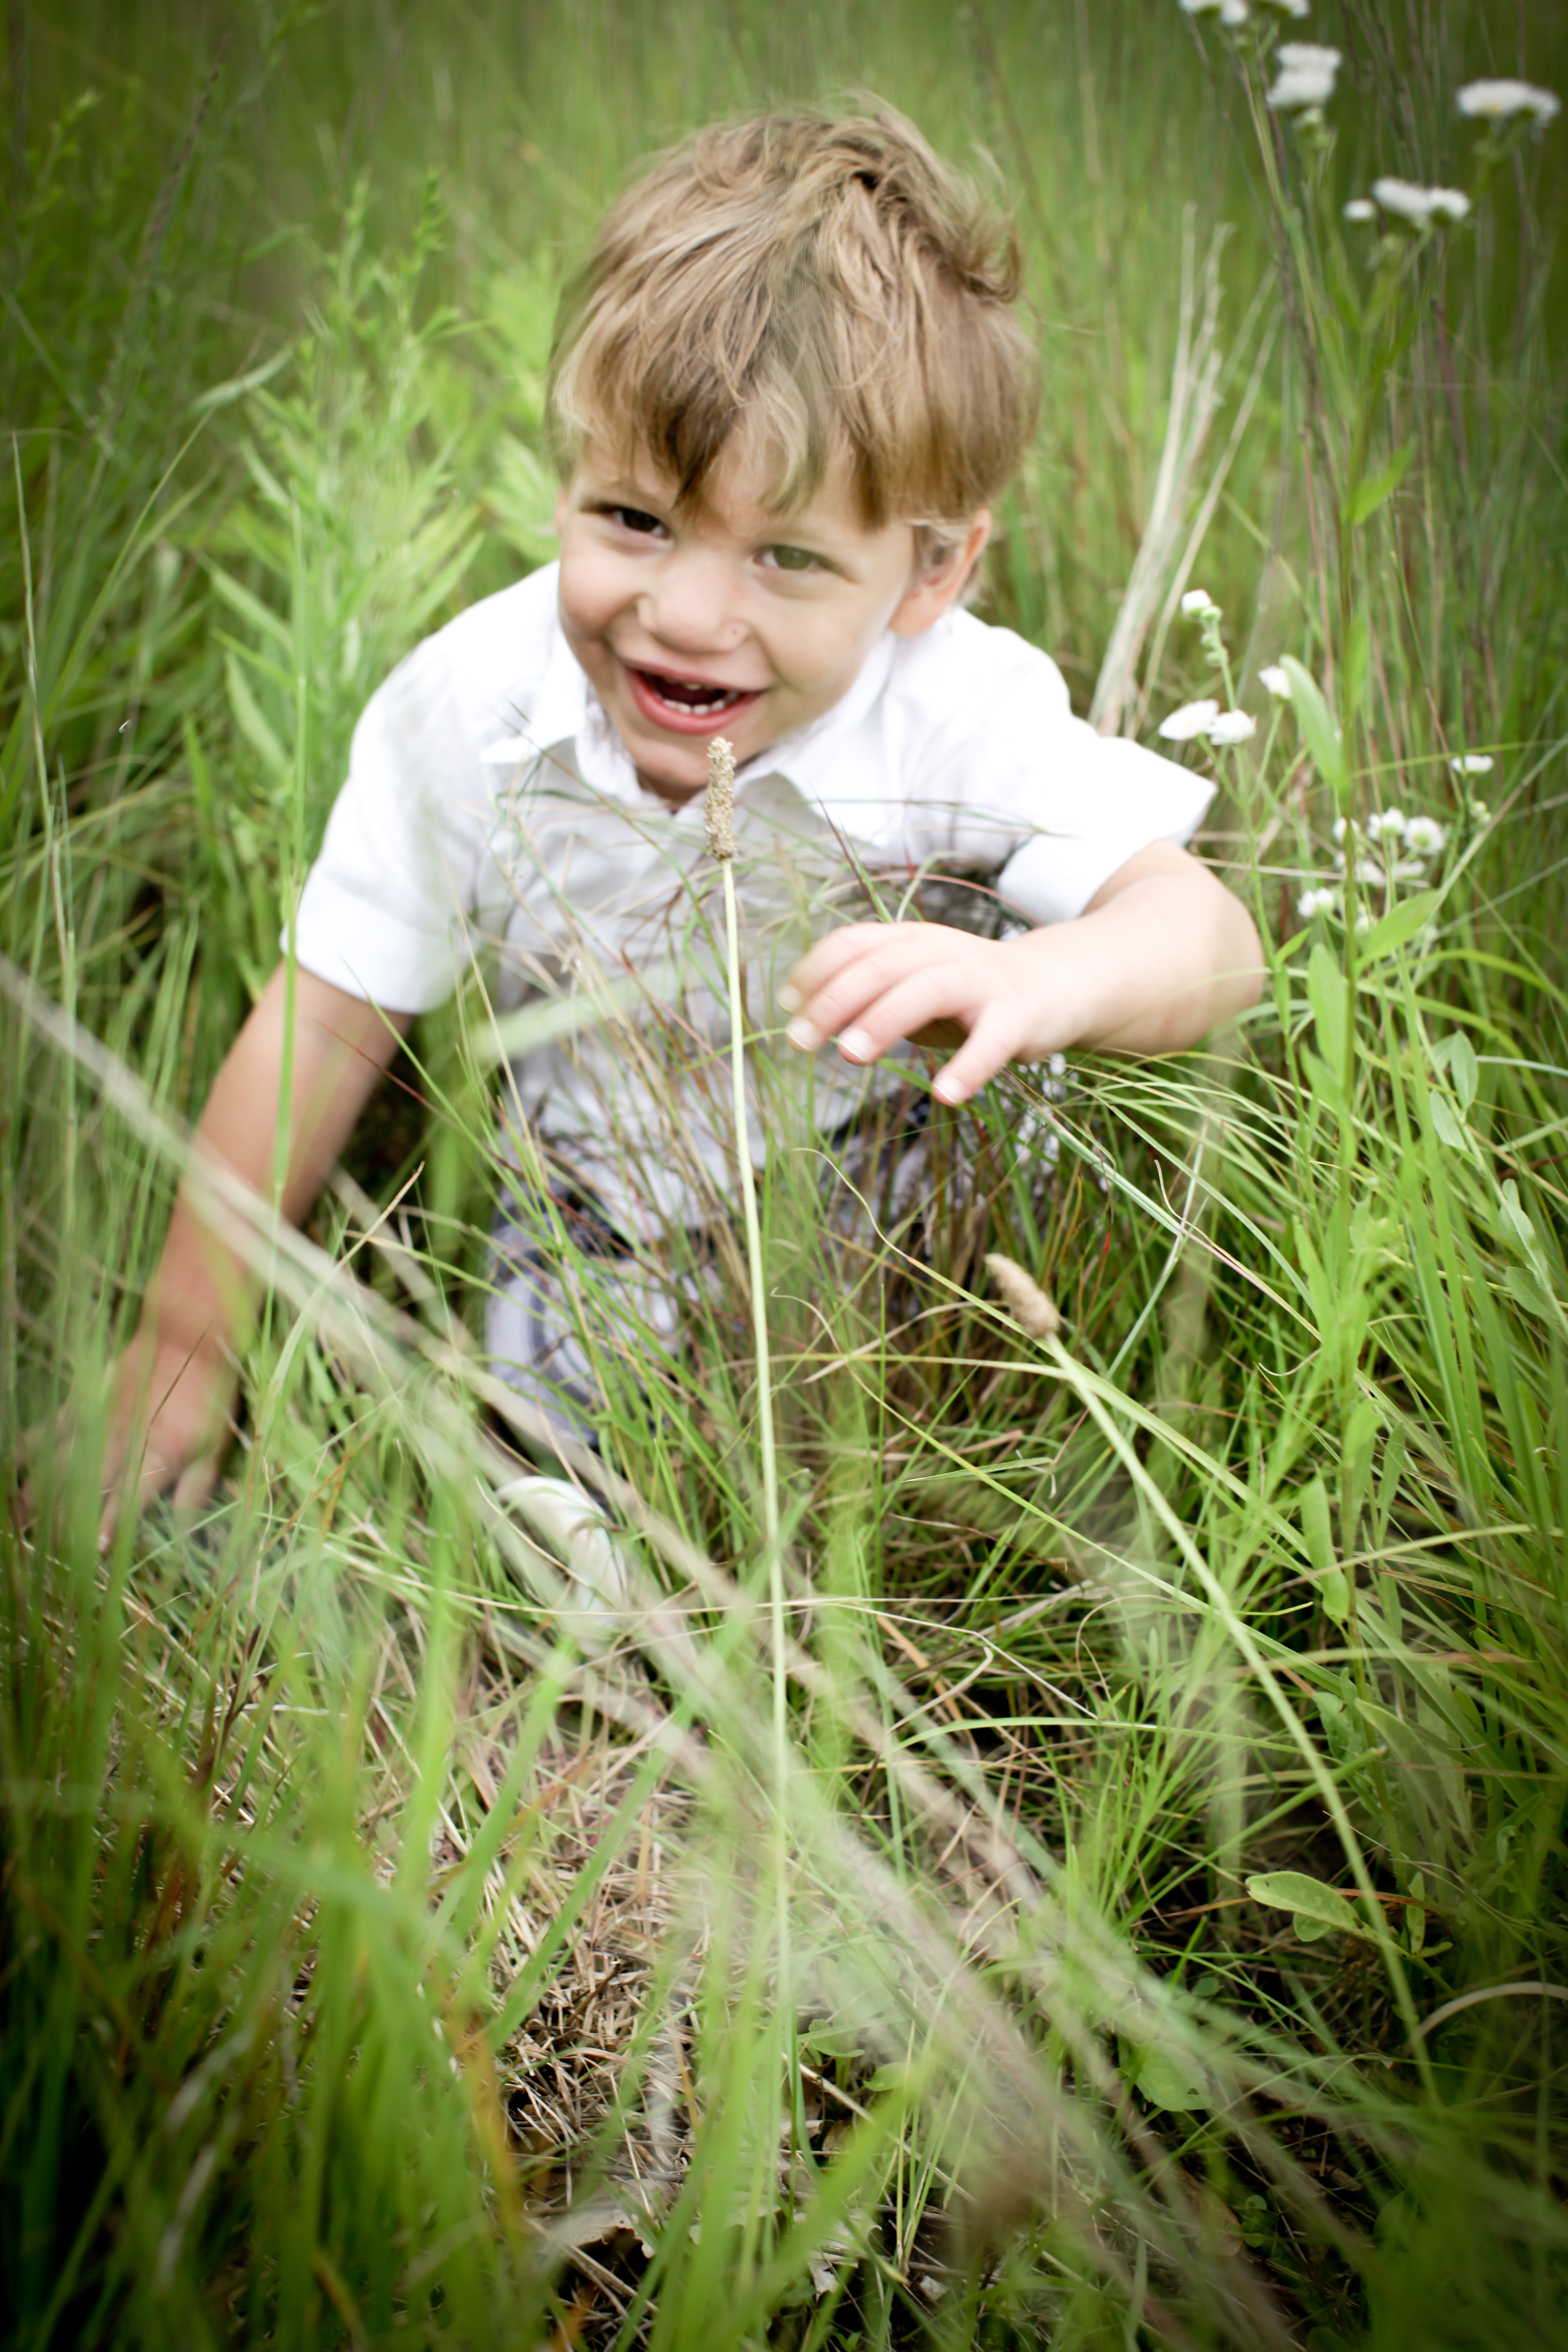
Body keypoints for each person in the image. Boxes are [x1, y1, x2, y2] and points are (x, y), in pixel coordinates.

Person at [94, 104, 1263, 1531]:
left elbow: (1206, 934)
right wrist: (181, 1342)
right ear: (568, 473)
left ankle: (931, 1539)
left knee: (952, 1476)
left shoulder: (956, 709)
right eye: (634, 520)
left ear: (929, 571)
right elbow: (327, 1021)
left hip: (905, 1211)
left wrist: (1038, 975)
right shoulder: (471, 708)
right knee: (544, 1510)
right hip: (605, 1222)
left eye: (783, 556)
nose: (688, 616)